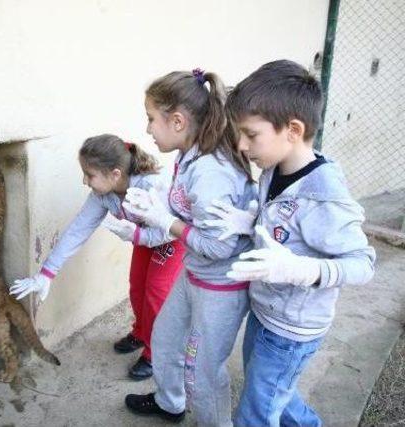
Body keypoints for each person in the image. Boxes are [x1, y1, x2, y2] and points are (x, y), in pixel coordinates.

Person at [209, 59, 376, 427]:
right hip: (266, 313)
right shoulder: (273, 169)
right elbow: (280, 227)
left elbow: (363, 264)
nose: (241, 144)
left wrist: (300, 269)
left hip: (293, 331)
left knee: (256, 413)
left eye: (251, 134)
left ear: (293, 130)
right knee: (275, 396)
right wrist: (248, 222)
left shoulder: (324, 197)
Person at [122, 68, 257, 426]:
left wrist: (165, 222)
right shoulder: (189, 154)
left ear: (178, 121)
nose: (148, 128)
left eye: (151, 118)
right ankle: (170, 404)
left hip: (220, 286)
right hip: (195, 273)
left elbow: (217, 247)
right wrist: (153, 206)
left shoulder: (211, 170)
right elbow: (190, 209)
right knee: (165, 340)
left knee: (203, 372)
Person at [9, 133, 185, 380]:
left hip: (170, 238)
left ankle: (156, 354)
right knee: (137, 288)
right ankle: (142, 332)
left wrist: (138, 237)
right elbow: (78, 230)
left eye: (89, 175)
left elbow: (174, 228)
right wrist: (47, 273)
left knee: (155, 292)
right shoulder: (103, 194)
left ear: (114, 174)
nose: (84, 181)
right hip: (142, 236)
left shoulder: (152, 185)